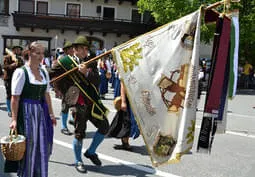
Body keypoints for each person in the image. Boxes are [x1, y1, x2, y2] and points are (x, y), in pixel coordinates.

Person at [48, 36, 109, 173]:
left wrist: (86, 72)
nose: (87, 51)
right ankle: (78, 160)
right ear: (76, 49)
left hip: (92, 102)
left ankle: (91, 152)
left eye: (87, 48)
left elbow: (97, 80)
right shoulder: (63, 62)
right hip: (76, 102)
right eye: (84, 48)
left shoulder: (90, 61)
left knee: (104, 126)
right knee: (79, 133)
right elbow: (49, 74)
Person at [5, 41, 56, 177]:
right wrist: (14, 120)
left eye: (42, 53)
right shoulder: (21, 72)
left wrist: (51, 114)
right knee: (29, 147)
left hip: (41, 112)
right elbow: (15, 98)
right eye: (37, 53)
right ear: (29, 53)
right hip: (26, 113)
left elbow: (46, 95)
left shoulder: (44, 71)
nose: (41, 56)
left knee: (42, 145)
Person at [108, 73, 140, 151]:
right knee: (126, 120)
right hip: (127, 98)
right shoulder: (126, 69)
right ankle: (125, 142)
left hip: (135, 98)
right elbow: (123, 84)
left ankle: (125, 141)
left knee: (128, 121)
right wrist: (123, 101)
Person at [57, 40, 74, 135]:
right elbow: (57, 75)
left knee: (75, 104)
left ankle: (72, 119)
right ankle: (64, 127)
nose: (73, 50)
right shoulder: (62, 60)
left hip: (74, 87)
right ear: (66, 50)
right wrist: (57, 89)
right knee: (65, 106)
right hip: (65, 86)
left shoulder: (74, 58)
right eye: (71, 49)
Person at [3, 46, 24, 117]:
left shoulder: (20, 59)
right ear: (13, 50)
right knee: (9, 95)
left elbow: (22, 67)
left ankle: (16, 109)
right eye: (16, 50)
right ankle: (9, 110)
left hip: (17, 79)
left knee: (17, 94)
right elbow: (5, 67)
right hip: (9, 79)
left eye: (19, 50)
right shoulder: (7, 57)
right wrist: (12, 65)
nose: (18, 51)